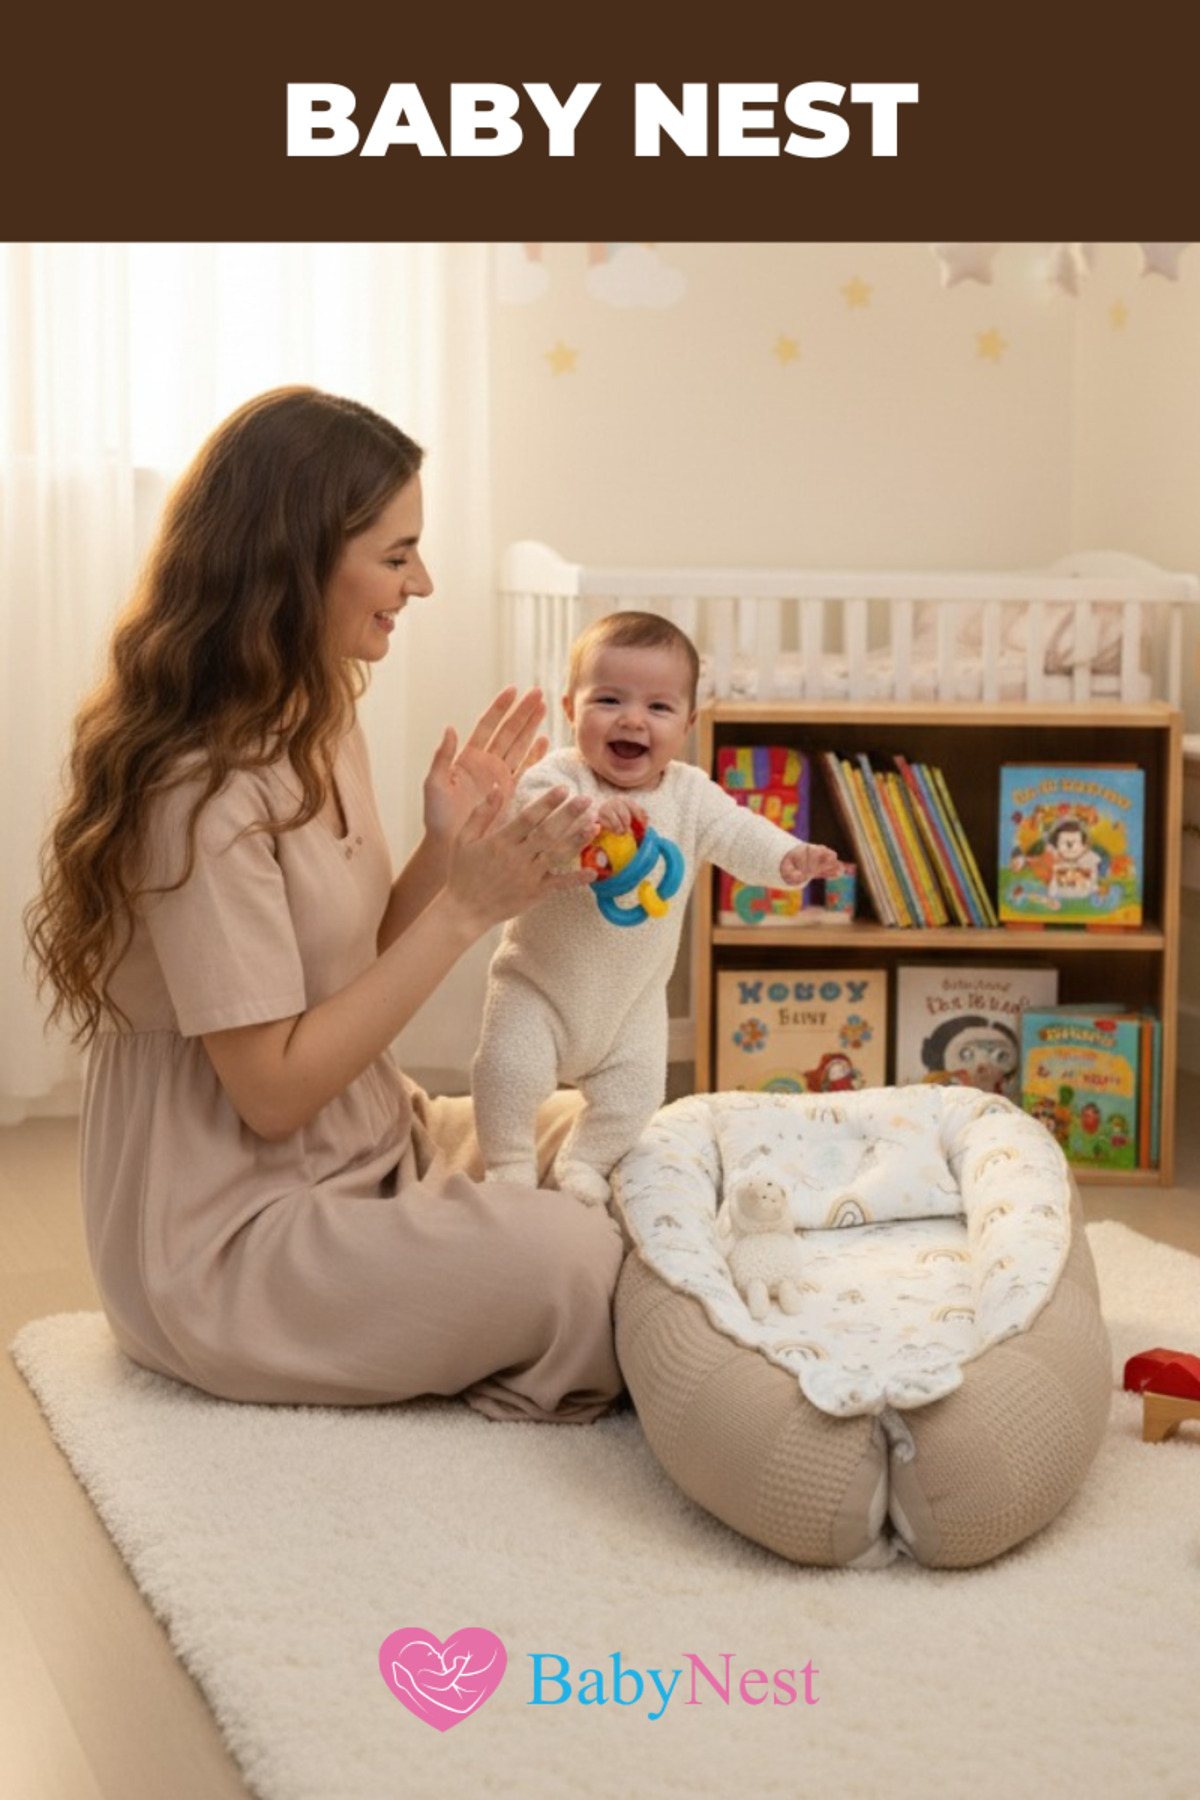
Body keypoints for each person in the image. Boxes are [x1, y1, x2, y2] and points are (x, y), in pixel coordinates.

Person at [24, 385, 625, 1423]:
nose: (422, 581)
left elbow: (343, 978)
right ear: (295, 560)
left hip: (370, 1147)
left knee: (626, 1136)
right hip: (229, 1243)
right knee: (579, 1254)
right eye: (396, 556)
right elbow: (271, 1094)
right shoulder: (198, 787)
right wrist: (464, 911)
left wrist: (449, 850)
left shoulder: (316, 712)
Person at [471, 611, 842, 1206]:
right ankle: (509, 1165)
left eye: (659, 708)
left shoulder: (690, 794)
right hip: (538, 986)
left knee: (638, 1091)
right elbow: (529, 823)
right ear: (573, 709)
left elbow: (738, 831)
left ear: (689, 724)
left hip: (632, 1003)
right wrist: (586, 823)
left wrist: (787, 858)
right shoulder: (558, 778)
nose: (632, 719)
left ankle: (586, 1160)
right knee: (508, 1073)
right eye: (609, 699)